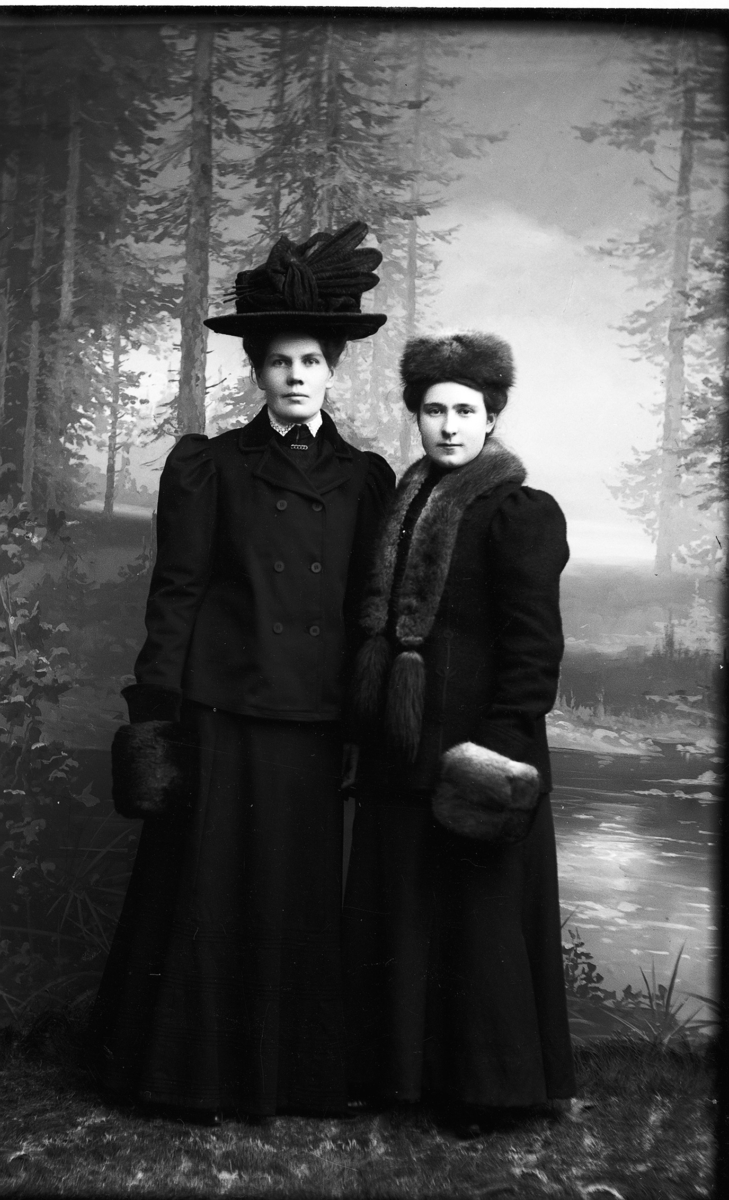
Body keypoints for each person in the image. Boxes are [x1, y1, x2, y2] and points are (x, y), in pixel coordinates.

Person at [88, 220, 395, 1121]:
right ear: (256, 372)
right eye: (279, 362)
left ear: (333, 370)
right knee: (207, 890)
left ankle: (292, 1076)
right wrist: (158, 714)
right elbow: (176, 593)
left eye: (311, 361)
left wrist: (366, 716)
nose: (296, 376)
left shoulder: (366, 478)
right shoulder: (209, 467)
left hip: (315, 717)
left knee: (296, 896)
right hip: (223, 709)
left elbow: (368, 610)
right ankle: (189, 1074)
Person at [342, 331, 576, 1133]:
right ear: (415, 415)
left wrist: (494, 754)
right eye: (433, 410)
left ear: (491, 416)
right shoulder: (404, 502)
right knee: (403, 908)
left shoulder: (517, 513)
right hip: (405, 743)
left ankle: (485, 1091)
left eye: (465, 411)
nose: (448, 425)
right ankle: (394, 1076)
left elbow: (533, 648)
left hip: (480, 743)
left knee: (476, 918)